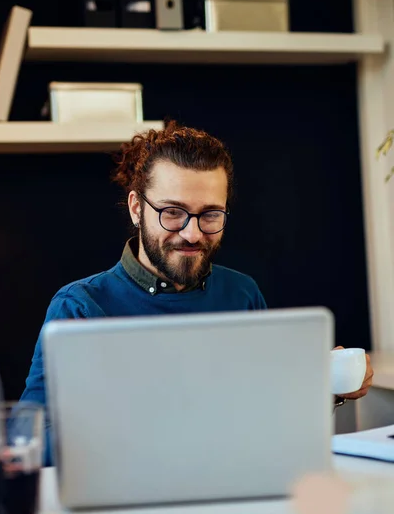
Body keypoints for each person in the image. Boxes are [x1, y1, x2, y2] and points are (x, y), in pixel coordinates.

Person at [19, 121, 374, 465]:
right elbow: (30, 441)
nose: (192, 234)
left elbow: (266, 417)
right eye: (173, 213)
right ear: (136, 208)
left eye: (210, 215)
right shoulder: (79, 306)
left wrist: (322, 388)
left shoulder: (242, 294)